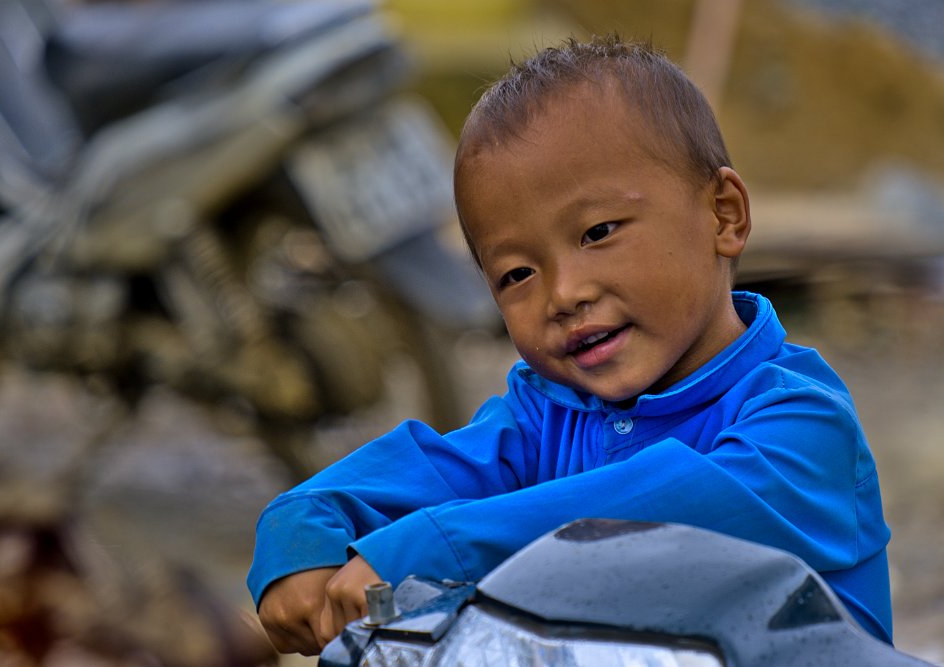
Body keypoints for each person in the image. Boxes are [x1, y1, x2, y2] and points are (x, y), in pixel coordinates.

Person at [248, 35, 893, 655]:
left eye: (598, 232)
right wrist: (301, 530)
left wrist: (435, 547)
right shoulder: (547, 417)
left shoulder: (801, 427)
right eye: (517, 275)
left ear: (723, 214)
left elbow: (649, 514)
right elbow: (422, 470)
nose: (562, 294)